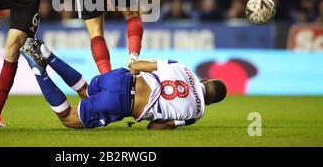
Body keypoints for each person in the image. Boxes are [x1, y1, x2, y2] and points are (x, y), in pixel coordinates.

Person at [20, 39, 227, 129]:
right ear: (210, 103)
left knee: (86, 91)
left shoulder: (184, 67)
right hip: (123, 103)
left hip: (121, 77)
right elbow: (156, 127)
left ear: (205, 80)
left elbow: (138, 65)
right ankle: (40, 72)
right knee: (68, 117)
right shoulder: (196, 114)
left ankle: (48, 54)